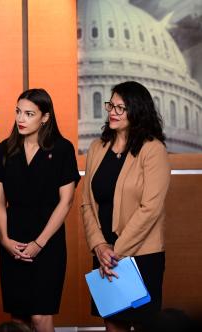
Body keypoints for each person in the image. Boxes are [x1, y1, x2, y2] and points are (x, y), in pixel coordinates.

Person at [81, 81, 170, 331]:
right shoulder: (97, 148)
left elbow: (150, 208)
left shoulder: (153, 150)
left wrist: (115, 252)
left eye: (121, 108)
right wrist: (99, 246)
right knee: (112, 325)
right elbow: (87, 202)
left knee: (143, 325)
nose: (112, 112)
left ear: (137, 111)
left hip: (141, 255)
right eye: (111, 105)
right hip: (104, 253)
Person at [0, 89, 80, 332]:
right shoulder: (6, 149)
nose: (21, 118)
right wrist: (4, 240)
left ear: (45, 117)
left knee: (41, 316)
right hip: (12, 240)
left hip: (48, 241)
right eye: (18, 112)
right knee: (18, 319)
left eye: (29, 113)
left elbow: (66, 202)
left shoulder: (62, 149)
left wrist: (39, 243)